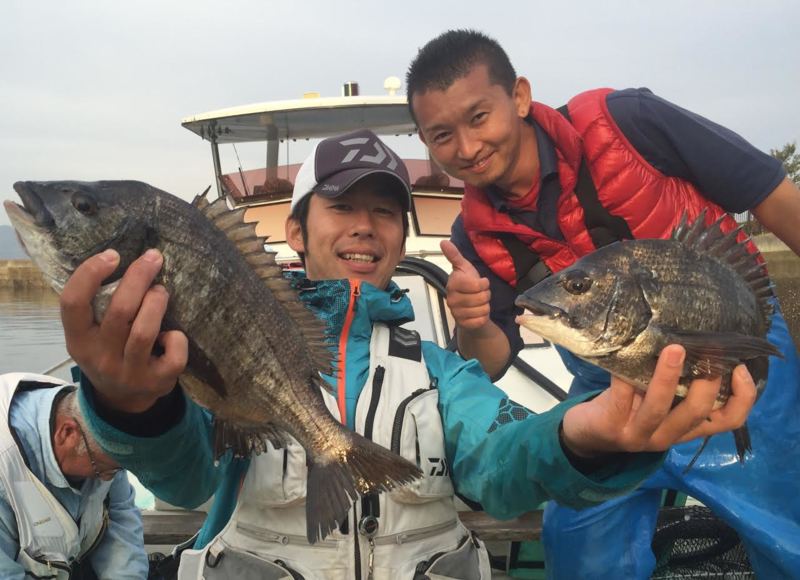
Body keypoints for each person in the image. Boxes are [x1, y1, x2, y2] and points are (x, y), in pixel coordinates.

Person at [62, 130, 753, 579]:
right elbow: (185, 478)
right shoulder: (207, 345)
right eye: (342, 206)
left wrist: (585, 436)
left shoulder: (442, 371)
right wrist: (131, 405)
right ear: (296, 231)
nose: (366, 226)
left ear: (400, 235)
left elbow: (503, 462)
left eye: (386, 211)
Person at [406, 29, 800, 579]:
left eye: (478, 117)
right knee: (577, 544)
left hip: (736, 348)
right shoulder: (472, 237)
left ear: (519, 97)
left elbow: (769, 192)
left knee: (784, 529)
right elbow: (490, 360)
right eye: (442, 135)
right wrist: (471, 322)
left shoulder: (626, 122)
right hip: (606, 382)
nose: (467, 148)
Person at [0, 372, 148, 580]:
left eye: (117, 470)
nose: (108, 479)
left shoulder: (102, 439)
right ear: (67, 433)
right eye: (102, 468)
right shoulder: (4, 469)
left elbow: (120, 512)